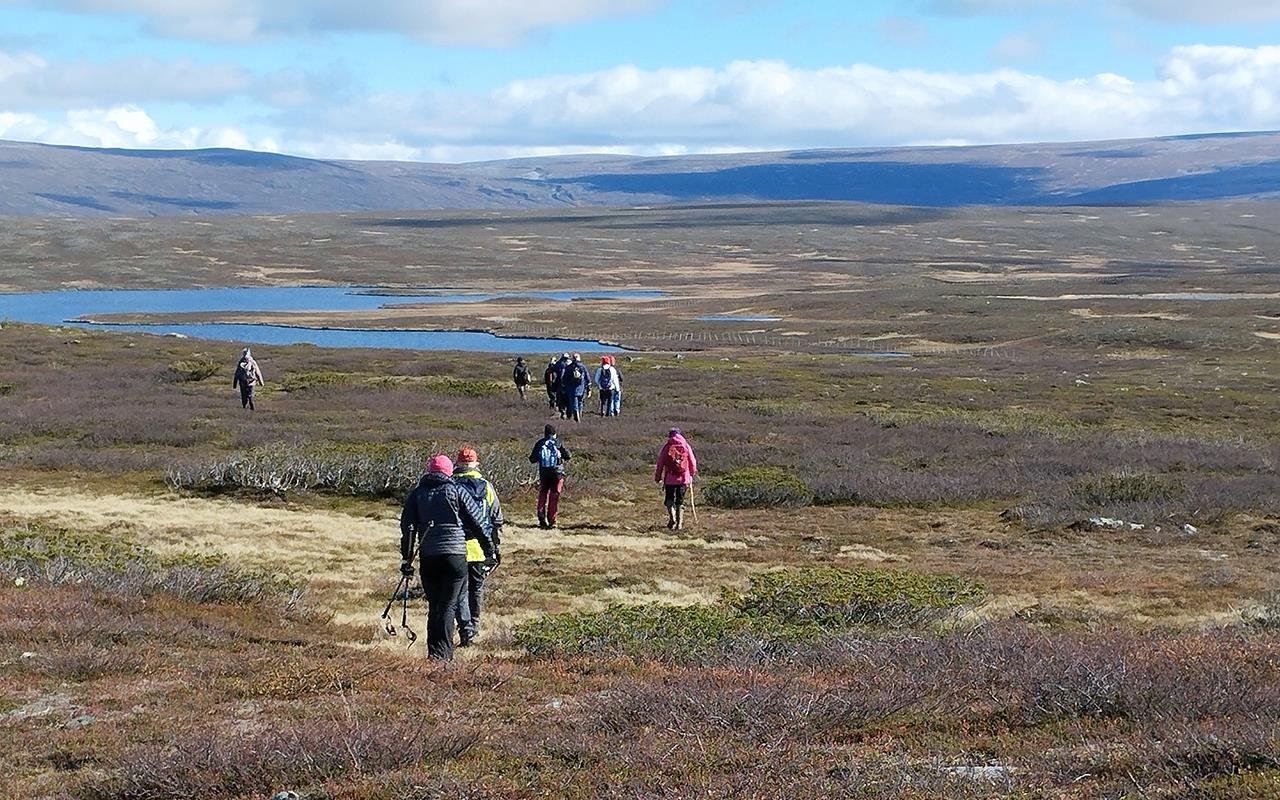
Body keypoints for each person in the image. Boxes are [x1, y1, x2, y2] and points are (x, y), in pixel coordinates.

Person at [400, 452, 493, 661]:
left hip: (429, 557)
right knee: (448, 605)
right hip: (455, 557)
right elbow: (478, 522)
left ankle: (435, 653)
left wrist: (406, 560)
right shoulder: (457, 491)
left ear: (429, 472)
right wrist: (490, 550)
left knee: (435, 605)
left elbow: (408, 529)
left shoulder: (417, 494)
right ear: (449, 471)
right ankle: (443, 656)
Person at [452, 447, 504, 646]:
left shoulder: (451, 486)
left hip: (457, 547)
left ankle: (465, 629)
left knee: (459, 590)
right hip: (479, 547)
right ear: (476, 464)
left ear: (458, 465)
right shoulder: (486, 487)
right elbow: (496, 517)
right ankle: (474, 625)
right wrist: (494, 546)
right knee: (476, 588)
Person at [529, 423, 571, 529]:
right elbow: (568, 456)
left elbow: (532, 459)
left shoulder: (540, 443)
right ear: (555, 433)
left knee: (543, 493)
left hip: (544, 472)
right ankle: (552, 520)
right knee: (554, 495)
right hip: (557, 473)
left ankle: (541, 516)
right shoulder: (558, 443)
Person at [654, 428, 697, 531]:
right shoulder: (686, 446)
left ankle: (672, 518)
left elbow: (660, 463)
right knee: (680, 501)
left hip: (669, 479)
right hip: (683, 479)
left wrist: (658, 477)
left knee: (669, 500)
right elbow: (692, 461)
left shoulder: (667, 447)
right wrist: (691, 473)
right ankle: (679, 524)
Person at [559, 353, 589, 422]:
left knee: (573, 403)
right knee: (580, 402)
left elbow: (564, 379)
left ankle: (576, 416)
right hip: (581, 388)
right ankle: (579, 414)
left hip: (571, 389)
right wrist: (588, 387)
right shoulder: (583, 367)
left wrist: (564, 387)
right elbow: (587, 378)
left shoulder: (569, 367)